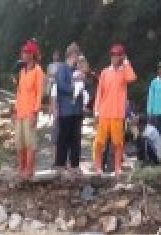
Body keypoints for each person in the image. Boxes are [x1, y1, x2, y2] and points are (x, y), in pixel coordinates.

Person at [92, 43, 136, 176]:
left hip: (117, 114)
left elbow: (132, 77)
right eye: (112, 55)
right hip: (104, 112)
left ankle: (117, 168)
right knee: (99, 142)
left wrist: (126, 61)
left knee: (118, 143)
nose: (114, 58)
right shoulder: (105, 72)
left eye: (117, 55)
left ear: (121, 57)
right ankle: (98, 167)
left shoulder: (124, 72)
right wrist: (96, 110)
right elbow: (99, 91)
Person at [52, 43, 85, 173]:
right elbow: (61, 86)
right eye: (77, 55)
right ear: (72, 55)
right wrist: (74, 88)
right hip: (65, 110)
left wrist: (82, 82)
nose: (77, 59)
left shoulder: (78, 70)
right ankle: (60, 164)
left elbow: (85, 86)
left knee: (76, 139)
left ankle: (75, 165)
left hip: (76, 110)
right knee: (63, 138)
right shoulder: (62, 69)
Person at [15, 40, 44, 177]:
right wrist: (15, 109)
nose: (23, 54)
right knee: (19, 141)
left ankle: (29, 169)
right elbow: (19, 92)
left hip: (30, 112)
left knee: (30, 142)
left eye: (26, 52)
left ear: (32, 55)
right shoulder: (22, 71)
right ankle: (21, 167)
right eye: (23, 52)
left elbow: (39, 94)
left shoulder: (38, 72)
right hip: (20, 111)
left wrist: (35, 113)